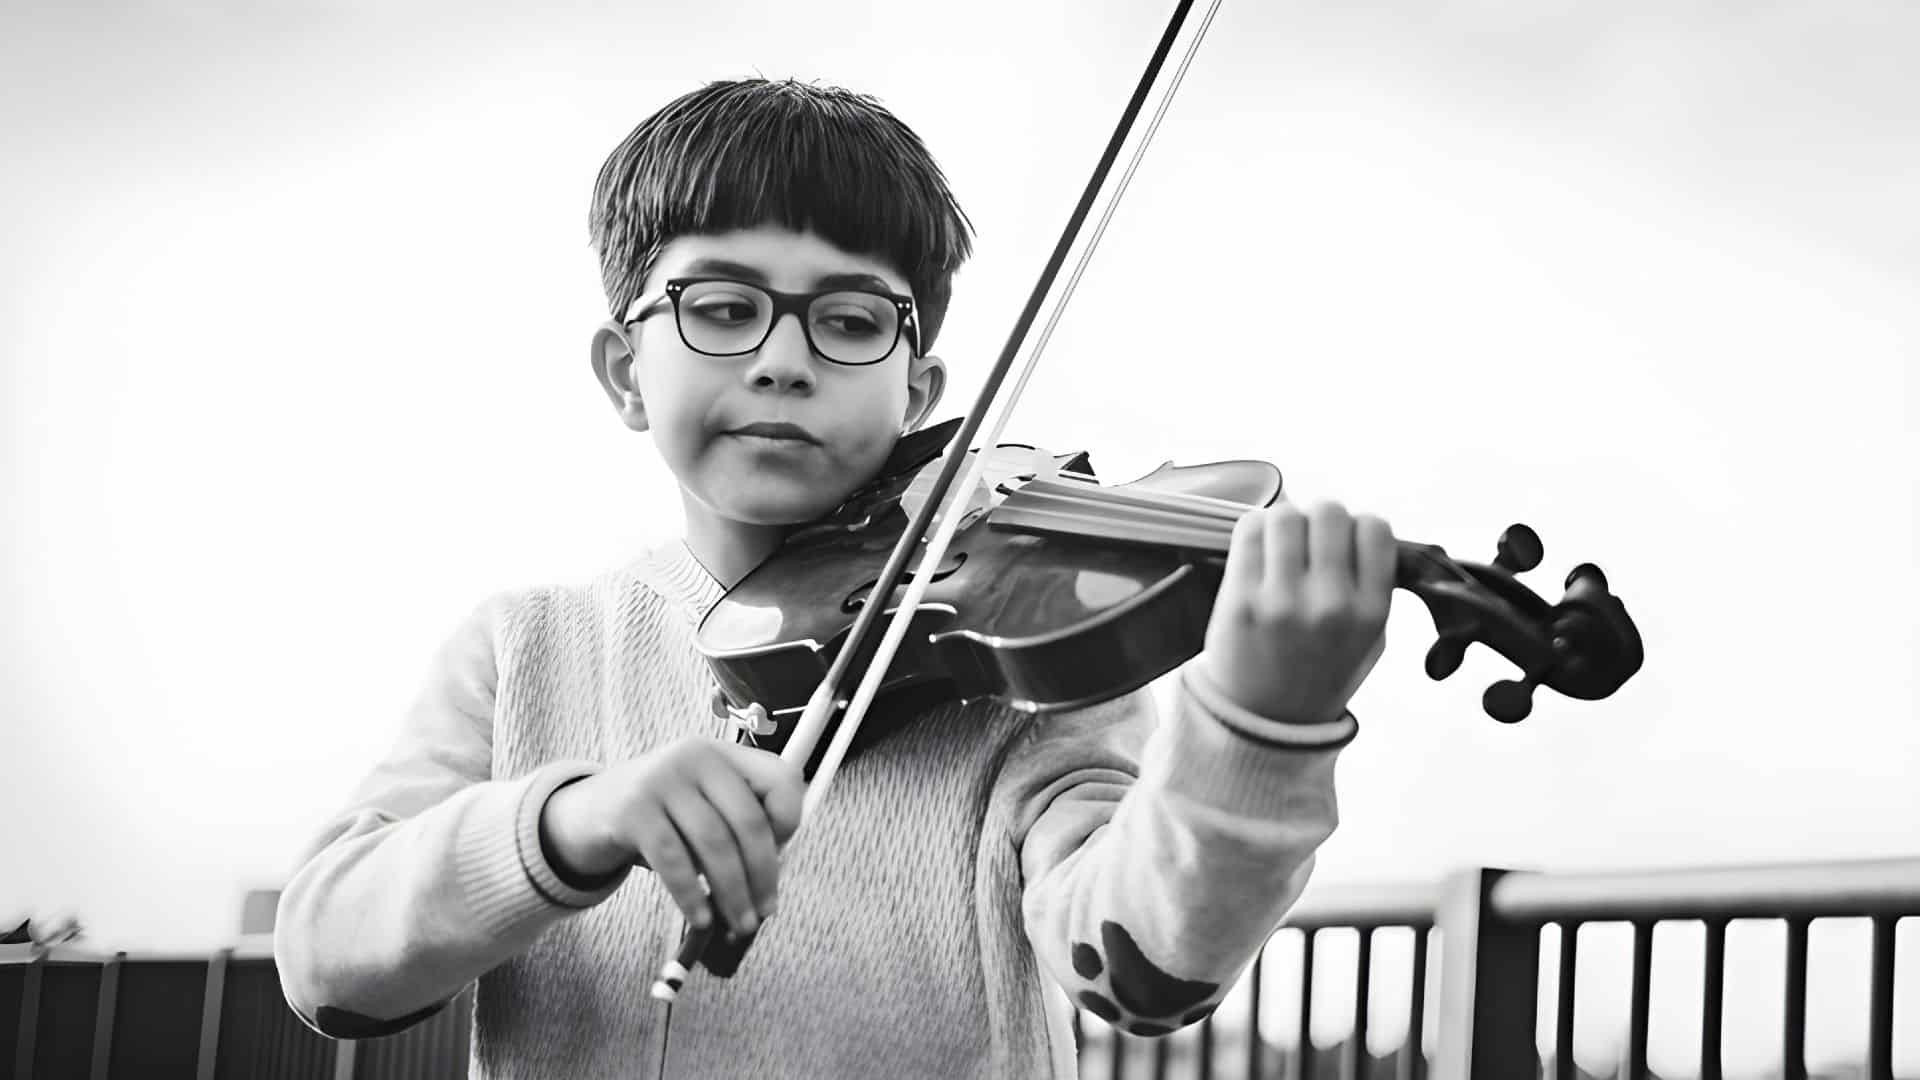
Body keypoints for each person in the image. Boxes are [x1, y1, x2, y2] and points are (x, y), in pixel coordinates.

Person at [272, 77, 1395, 1079]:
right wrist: (576, 818)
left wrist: (1258, 726)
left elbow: (1145, 966)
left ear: (919, 393)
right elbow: (329, 964)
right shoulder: (526, 650)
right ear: (624, 371)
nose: (783, 358)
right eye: (721, 307)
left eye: (851, 320)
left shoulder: (1019, 658)